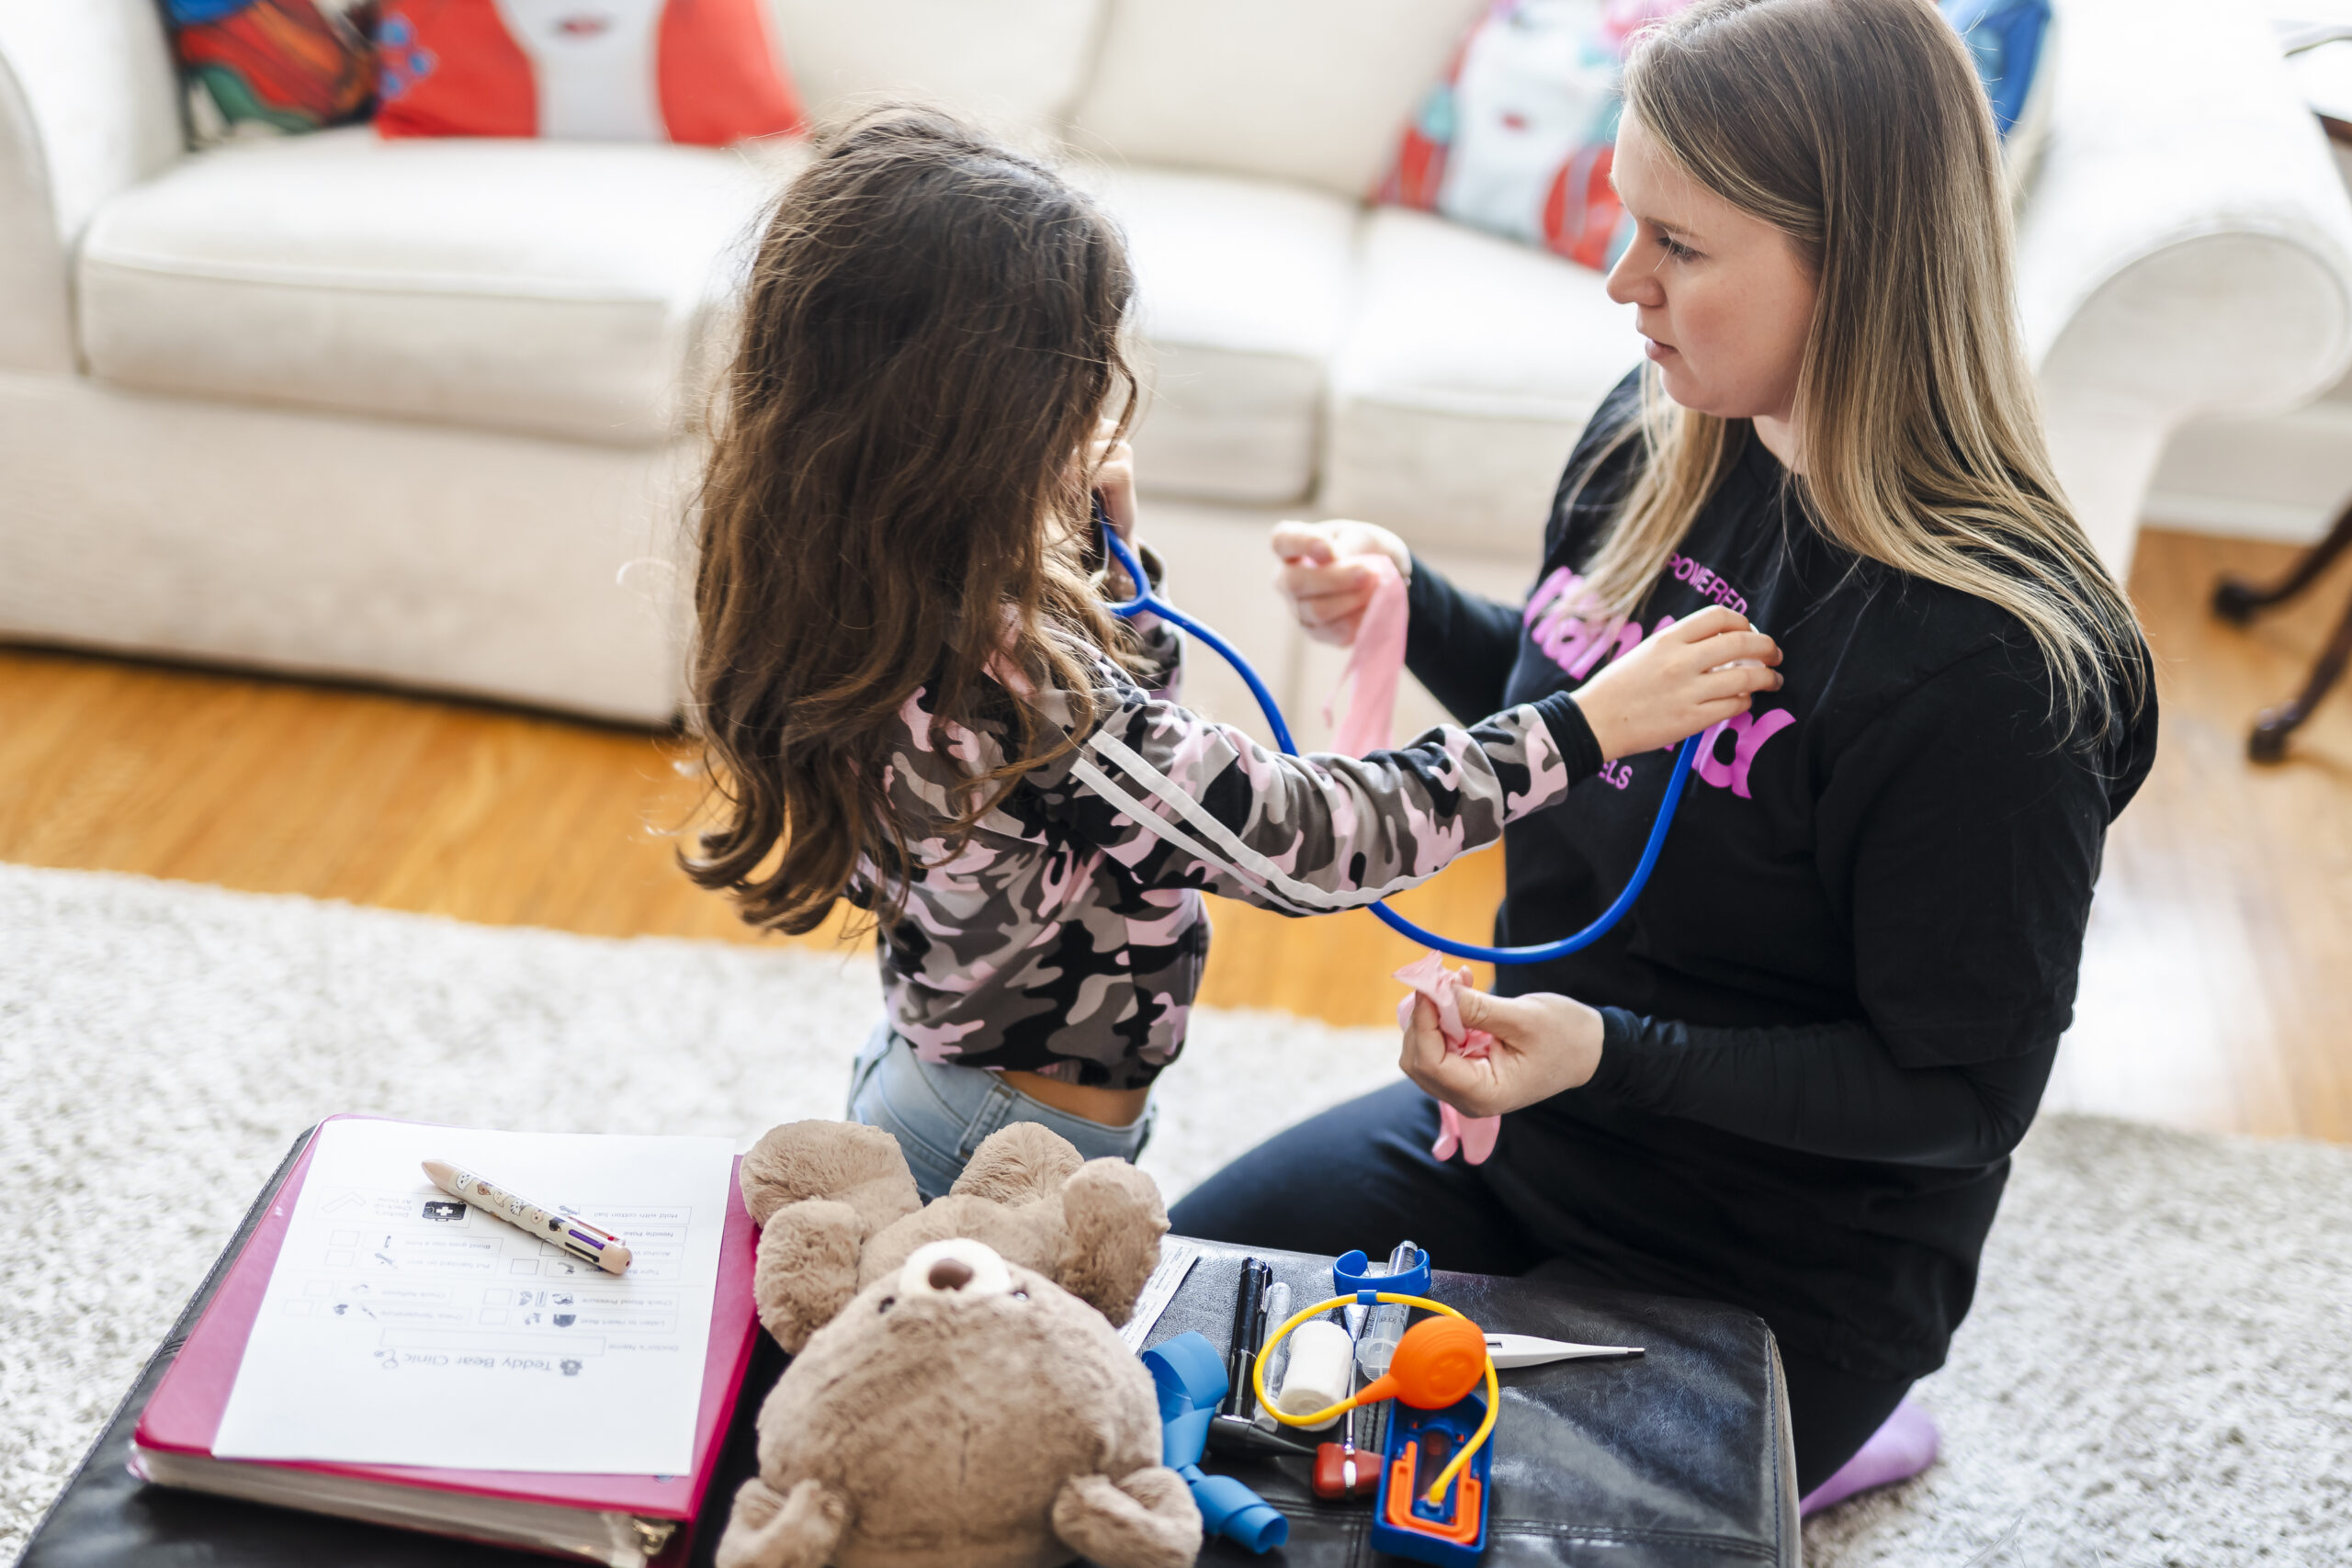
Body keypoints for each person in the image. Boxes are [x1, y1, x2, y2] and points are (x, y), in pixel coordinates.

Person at [1171, 0, 2158, 1501]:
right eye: (1631, 224)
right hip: (1523, 1137)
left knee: (1409, 1521)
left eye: (1679, 248)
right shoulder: (1658, 432)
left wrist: (1609, 1051)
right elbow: (1587, 693)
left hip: (1778, 1262)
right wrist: (1411, 609)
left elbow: (1956, 1096)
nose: (1621, 281)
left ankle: (1829, 1436)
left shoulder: (1991, 673)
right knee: (1160, 1343)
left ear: (1860, 261)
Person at [680, 107, 1784, 1201]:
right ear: (988, 417)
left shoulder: (871, 584)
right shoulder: (1012, 684)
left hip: (948, 1075)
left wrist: (1103, 576)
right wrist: (1588, 725)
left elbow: (1108, 808)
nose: (1098, 399)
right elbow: (1310, 839)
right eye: (1079, 376)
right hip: (999, 1144)